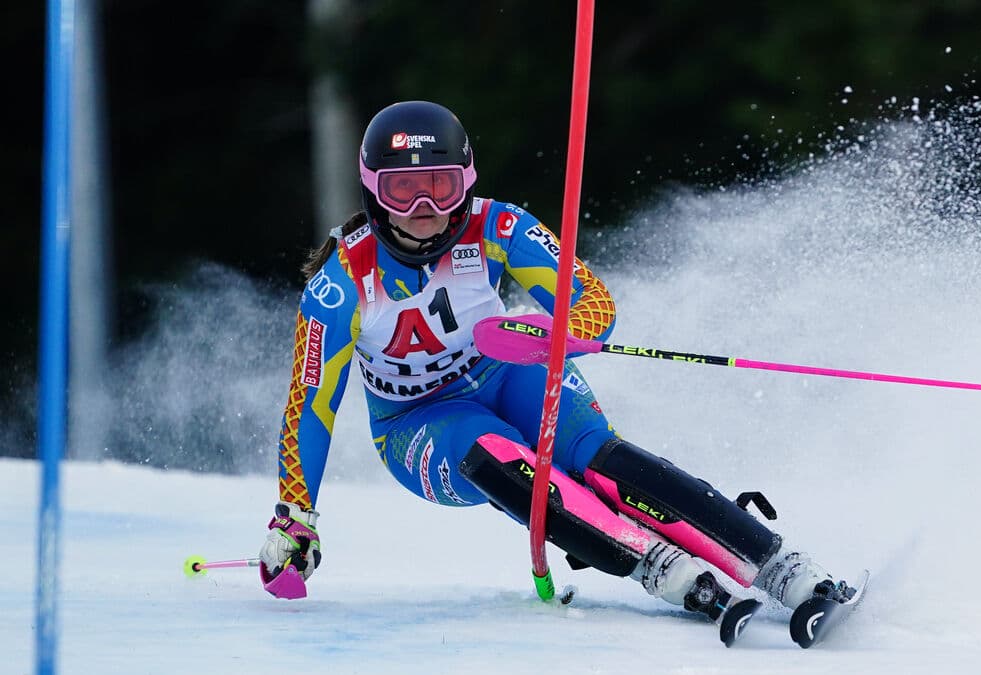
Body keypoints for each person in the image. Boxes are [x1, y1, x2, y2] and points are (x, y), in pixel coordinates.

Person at [258, 100, 853, 638]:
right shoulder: (338, 286)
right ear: (371, 192)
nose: (423, 210)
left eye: (439, 188)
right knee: (495, 453)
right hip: (420, 423)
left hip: (505, 372)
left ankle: (783, 568)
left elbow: (593, 304)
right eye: (402, 190)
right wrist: (295, 517)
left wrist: (559, 333)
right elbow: (311, 405)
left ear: (465, 182)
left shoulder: (498, 226)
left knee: (597, 457)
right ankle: (663, 569)